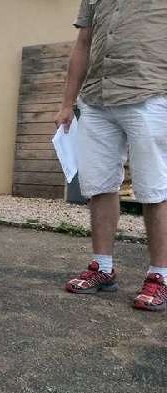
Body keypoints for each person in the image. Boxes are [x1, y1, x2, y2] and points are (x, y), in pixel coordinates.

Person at [55, 1, 167, 311]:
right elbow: (84, 43)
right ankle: (102, 267)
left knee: (154, 188)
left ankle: (160, 276)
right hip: (96, 98)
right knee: (99, 185)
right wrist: (67, 103)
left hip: (150, 92)